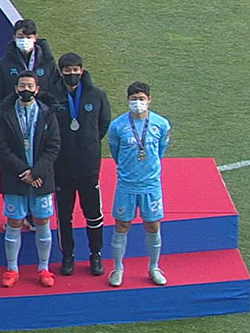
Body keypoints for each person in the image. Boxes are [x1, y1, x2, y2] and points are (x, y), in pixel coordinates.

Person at [0, 71, 62, 288]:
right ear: (16, 88)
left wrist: (36, 172)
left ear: (37, 89)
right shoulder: (5, 114)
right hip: (15, 178)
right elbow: (1, 147)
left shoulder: (47, 113)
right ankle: (12, 269)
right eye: (22, 86)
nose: (26, 90)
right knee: (14, 222)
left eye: (30, 86)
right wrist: (25, 171)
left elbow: (53, 146)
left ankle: (44, 268)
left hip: (41, 178)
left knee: (42, 221)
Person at [52, 53, 112, 276]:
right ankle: (68, 256)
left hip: (88, 166)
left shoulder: (96, 95)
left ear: (82, 70)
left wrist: (89, 143)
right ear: (61, 72)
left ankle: (96, 254)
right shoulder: (52, 96)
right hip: (61, 166)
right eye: (68, 70)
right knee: (64, 215)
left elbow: (104, 123)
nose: (72, 74)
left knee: (93, 213)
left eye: (76, 70)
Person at [106, 82, 171, 287]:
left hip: (151, 185)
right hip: (126, 185)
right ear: (128, 100)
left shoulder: (161, 124)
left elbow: (160, 151)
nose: (138, 103)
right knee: (122, 225)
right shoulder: (117, 126)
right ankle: (118, 268)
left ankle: (154, 267)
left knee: (153, 225)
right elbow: (115, 152)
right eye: (134, 99)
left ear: (149, 100)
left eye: (141, 99)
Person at [0, 18, 58, 103]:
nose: (24, 40)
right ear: (14, 37)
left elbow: (55, 91)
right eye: (20, 37)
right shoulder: (2, 64)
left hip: (43, 110)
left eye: (28, 37)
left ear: (35, 38)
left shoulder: (48, 62)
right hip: (11, 110)